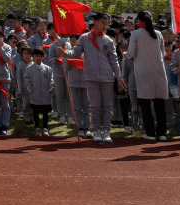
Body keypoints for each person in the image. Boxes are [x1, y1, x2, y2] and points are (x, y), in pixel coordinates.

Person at [65, 13, 123, 143]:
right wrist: (65, 53)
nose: (105, 26)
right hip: (91, 77)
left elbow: (114, 61)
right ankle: (96, 130)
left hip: (107, 78)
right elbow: (75, 53)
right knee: (95, 106)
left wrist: (119, 78)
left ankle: (107, 131)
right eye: (103, 23)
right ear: (95, 22)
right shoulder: (84, 38)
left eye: (107, 24)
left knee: (107, 106)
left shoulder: (108, 40)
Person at [124, 10, 169, 141]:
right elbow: (163, 55)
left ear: (138, 20)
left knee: (145, 103)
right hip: (159, 70)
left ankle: (150, 132)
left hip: (143, 71)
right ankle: (162, 133)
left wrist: (124, 56)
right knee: (160, 104)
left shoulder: (135, 33)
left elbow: (131, 53)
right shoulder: (159, 33)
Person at [24, 47, 54, 137]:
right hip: (34, 94)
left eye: (41, 56)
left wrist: (49, 89)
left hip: (45, 94)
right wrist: (30, 89)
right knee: (35, 112)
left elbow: (51, 80)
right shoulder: (29, 69)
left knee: (45, 112)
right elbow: (27, 80)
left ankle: (45, 128)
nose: (38, 58)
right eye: (36, 56)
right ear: (33, 57)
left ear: (43, 57)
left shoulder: (48, 69)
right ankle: (37, 128)